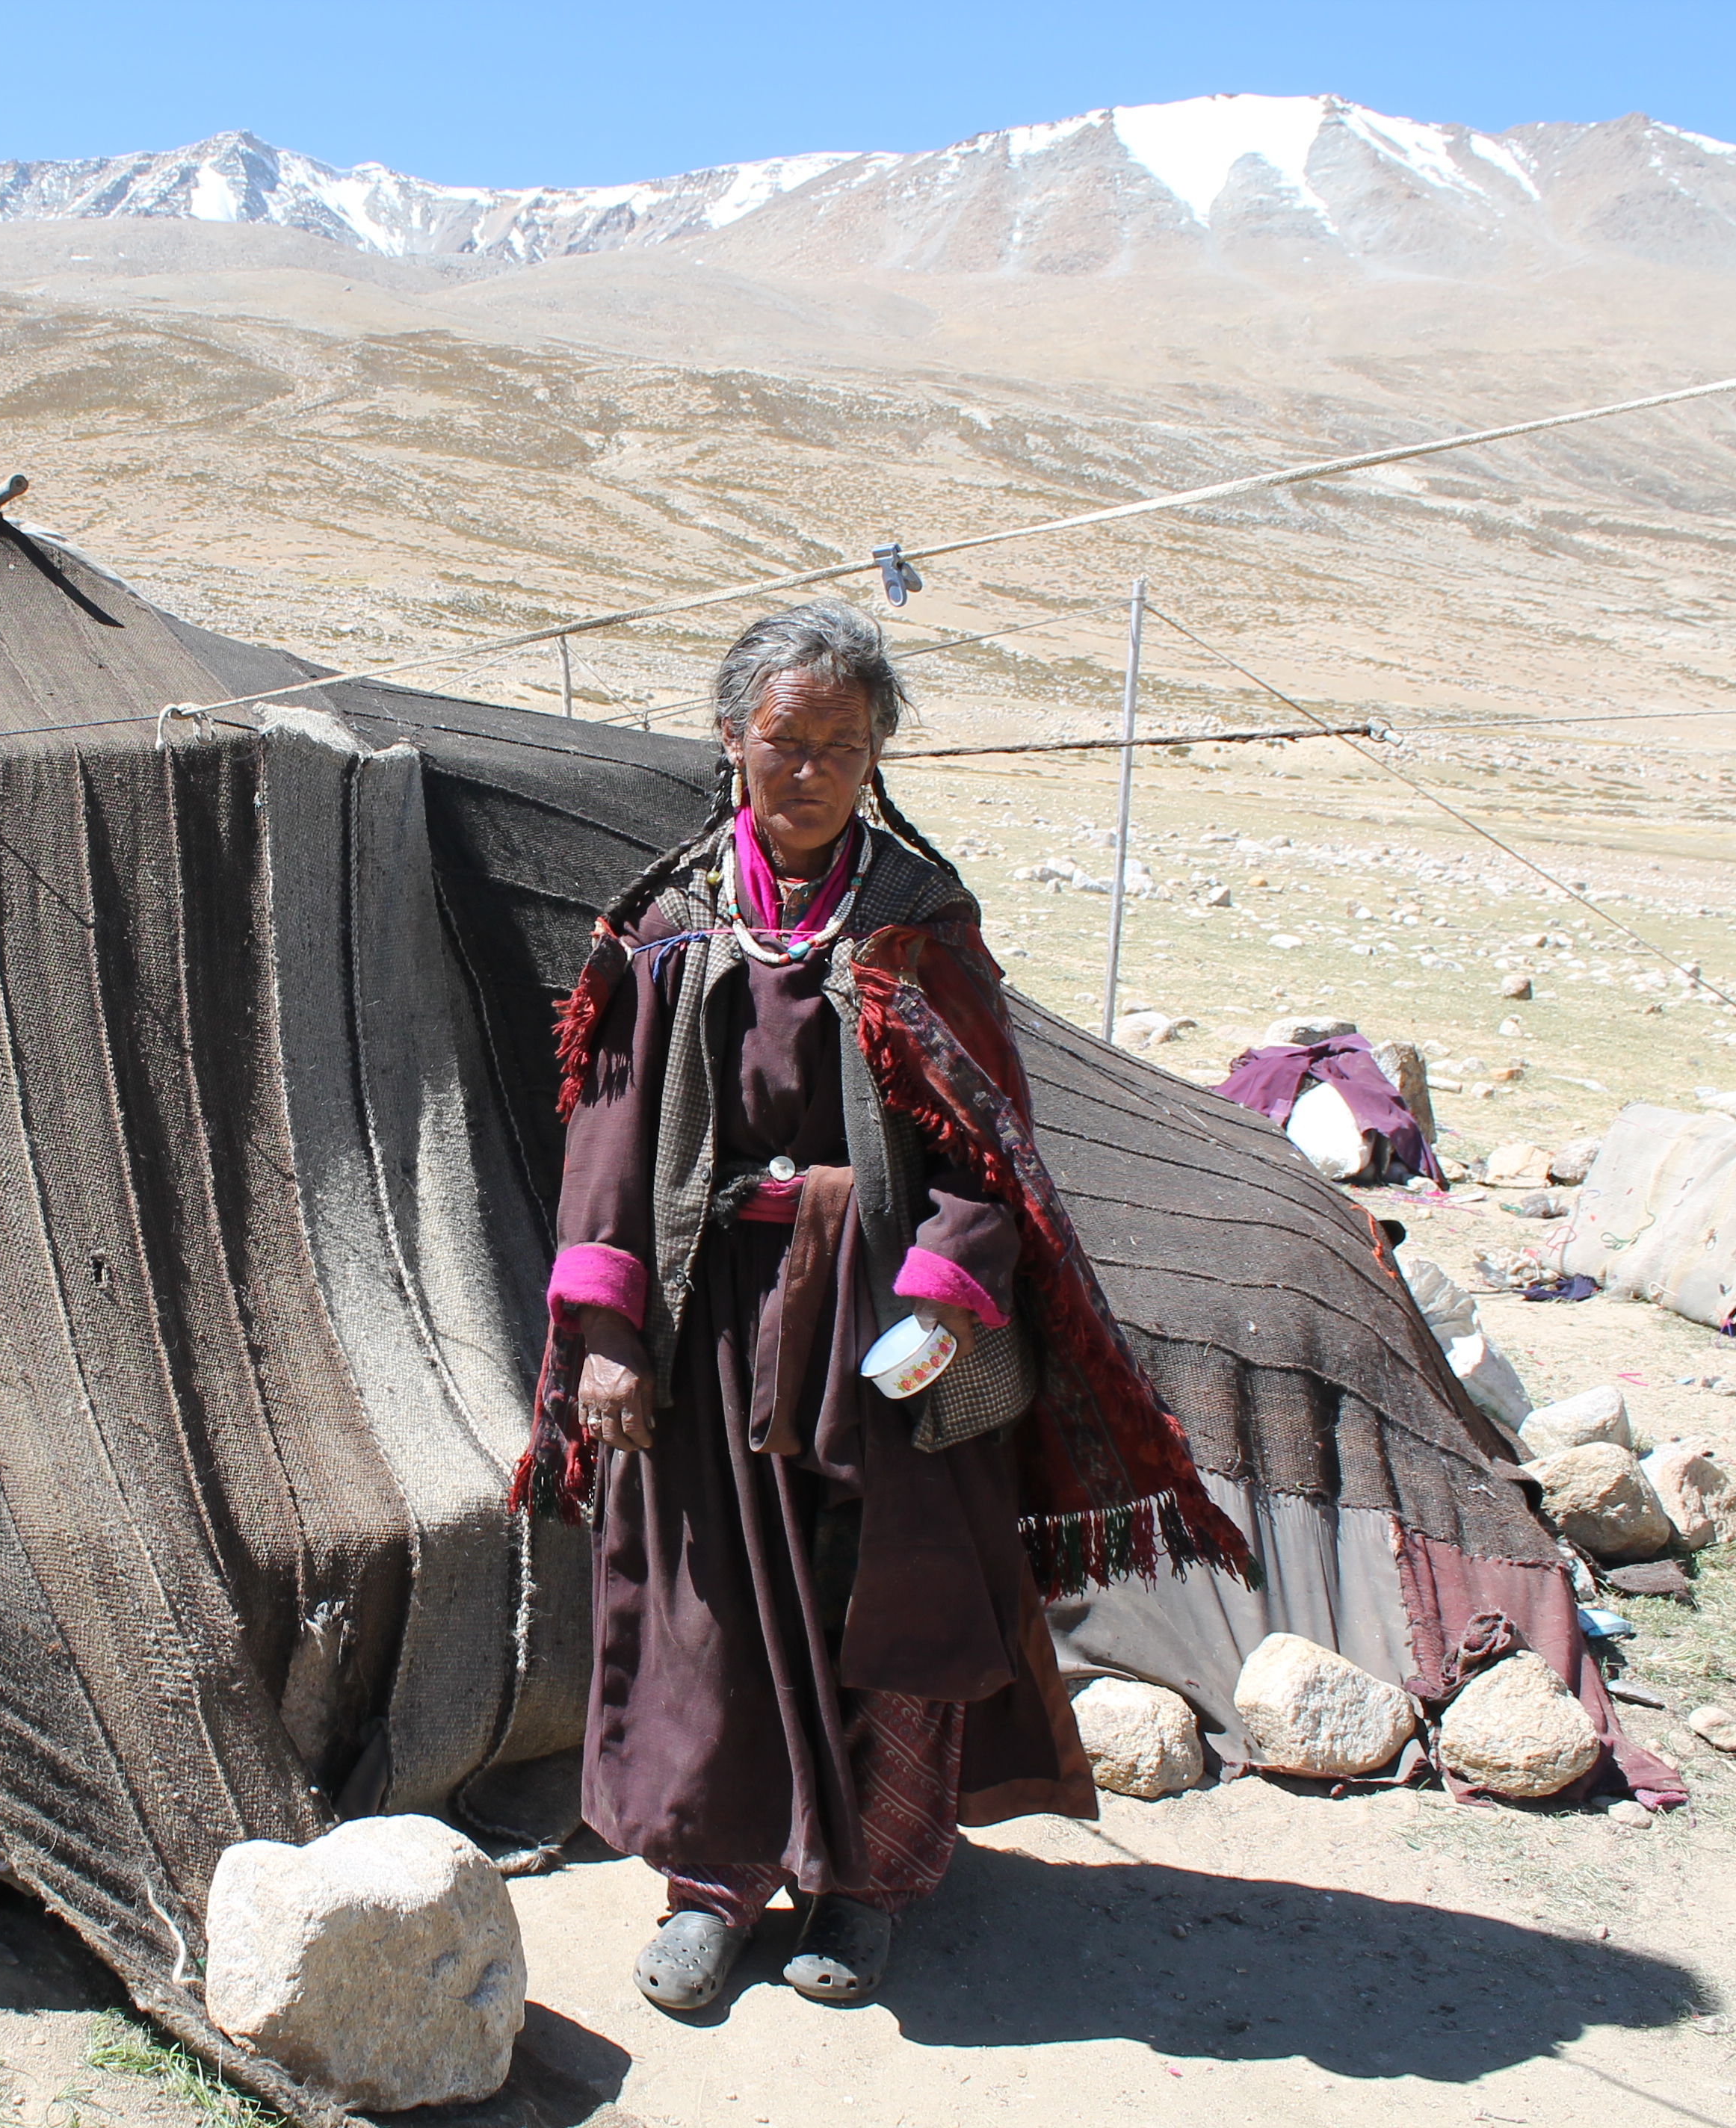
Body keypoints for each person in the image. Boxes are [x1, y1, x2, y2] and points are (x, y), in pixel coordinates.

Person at [516, 600, 1251, 2012]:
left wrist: (942, 1298)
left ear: (875, 759)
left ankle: (864, 1894)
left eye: (841, 748)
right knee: (701, 1606)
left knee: (887, 1601)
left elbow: (993, 1153)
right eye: (785, 742)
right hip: (706, 1316)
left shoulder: (917, 929)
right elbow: (604, 1146)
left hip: (879, 1323)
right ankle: (711, 1885)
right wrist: (606, 1335)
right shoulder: (665, 930)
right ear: (733, 741)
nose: (808, 772)